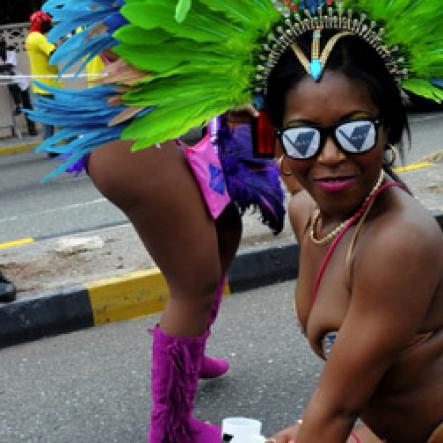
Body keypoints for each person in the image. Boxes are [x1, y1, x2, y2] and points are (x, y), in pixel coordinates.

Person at [30, 0, 442, 442]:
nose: (329, 156)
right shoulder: (309, 214)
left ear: (388, 130)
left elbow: (337, 410)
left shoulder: (400, 240)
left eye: (355, 131)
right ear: (277, 137)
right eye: (303, 136)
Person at [25, 11, 58, 140]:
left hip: (42, 83)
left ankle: (51, 145)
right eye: (47, 22)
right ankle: (52, 145)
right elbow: (53, 53)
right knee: (61, 114)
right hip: (48, 84)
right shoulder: (39, 38)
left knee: (49, 118)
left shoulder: (30, 37)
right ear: (41, 23)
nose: (50, 24)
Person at [0, 39, 37, 136]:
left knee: (28, 106)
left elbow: (9, 66)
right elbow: (6, 68)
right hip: (11, 83)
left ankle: (32, 128)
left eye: (1, 46)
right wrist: (5, 67)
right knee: (12, 85)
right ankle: (18, 105)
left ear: (4, 46)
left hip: (22, 83)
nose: (0, 49)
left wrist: (4, 67)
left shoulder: (11, 53)